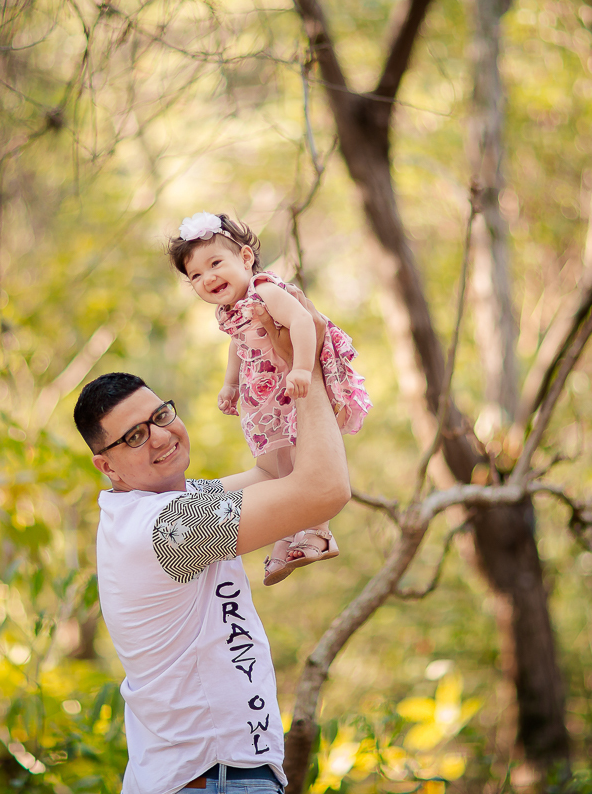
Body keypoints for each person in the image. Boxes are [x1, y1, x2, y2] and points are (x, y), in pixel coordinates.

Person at [73, 296, 350, 794]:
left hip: (214, 777)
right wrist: (307, 374)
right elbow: (323, 489)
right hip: (214, 781)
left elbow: (274, 471)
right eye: (134, 437)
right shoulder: (167, 529)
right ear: (107, 465)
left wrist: (276, 358)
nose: (159, 436)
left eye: (160, 416)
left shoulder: (178, 502)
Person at [168, 211, 372, 584]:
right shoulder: (229, 311)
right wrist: (230, 384)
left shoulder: (266, 290)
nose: (207, 278)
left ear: (245, 258)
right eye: (195, 275)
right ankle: (287, 531)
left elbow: (304, 323)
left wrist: (300, 368)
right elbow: (238, 345)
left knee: (301, 453)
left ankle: (318, 532)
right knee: (277, 463)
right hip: (266, 395)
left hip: (295, 384)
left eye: (216, 263)